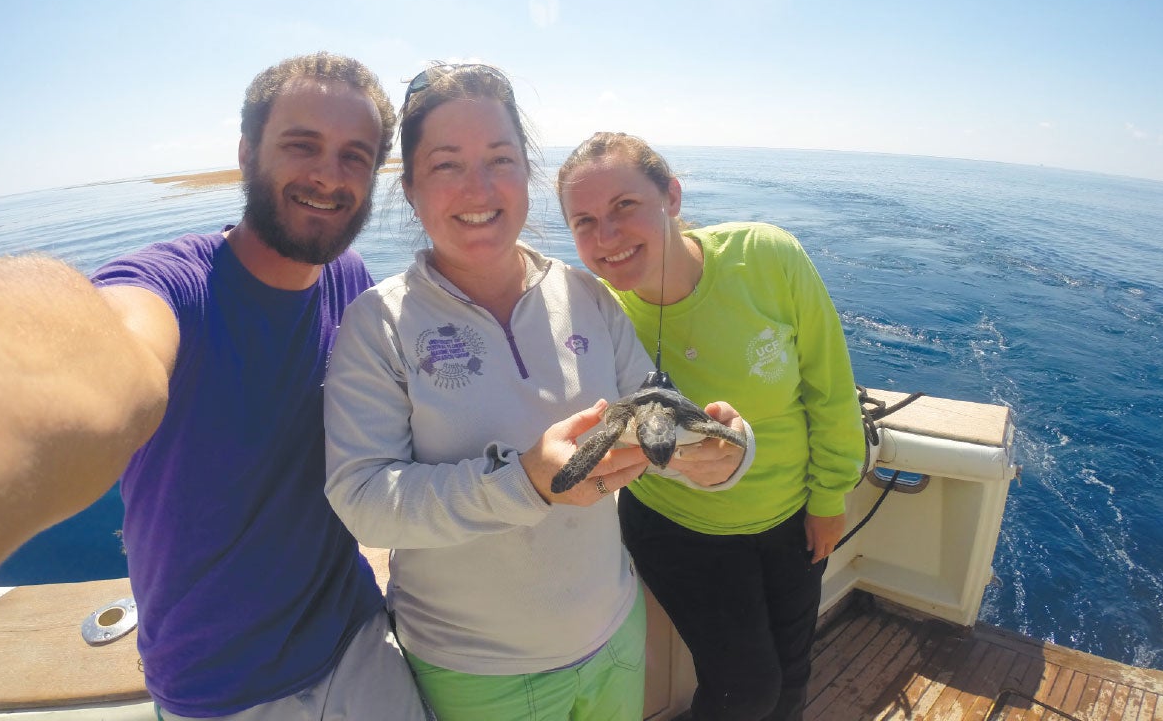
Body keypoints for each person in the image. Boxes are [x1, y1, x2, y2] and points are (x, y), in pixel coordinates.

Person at [0, 53, 428, 720]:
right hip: (220, 689)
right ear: (247, 152)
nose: (329, 175)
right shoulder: (175, 290)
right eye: (302, 145)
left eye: (354, 156)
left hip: (357, 639)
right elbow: (107, 350)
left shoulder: (347, 277)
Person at [323, 64, 754, 721]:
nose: (480, 186)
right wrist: (523, 484)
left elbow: (653, 409)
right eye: (446, 165)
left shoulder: (587, 297)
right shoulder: (378, 324)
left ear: (526, 172)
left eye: (501, 159)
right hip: (476, 673)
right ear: (408, 188)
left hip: (614, 637)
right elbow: (363, 501)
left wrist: (722, 449)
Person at [556, 132, 866, 721]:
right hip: (677, 529)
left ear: (671, 196)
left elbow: (830, 388)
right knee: (744, 690)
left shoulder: (768, 257)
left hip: (793, 515)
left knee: (793, 673)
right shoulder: (597, 313)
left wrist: (829, 496)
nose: (607, 237)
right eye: (584, 221)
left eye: (625, 206)